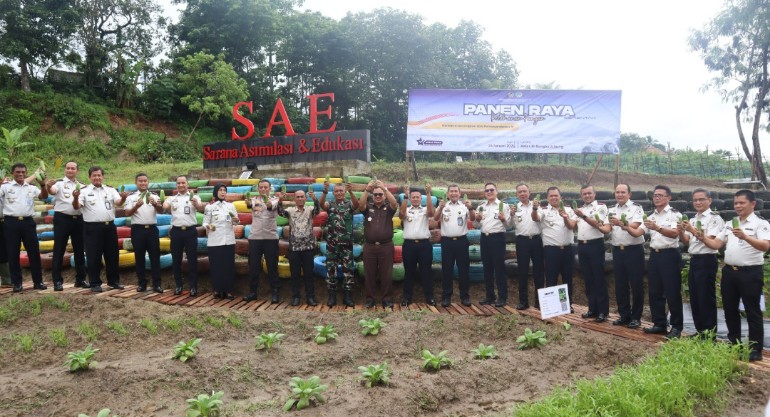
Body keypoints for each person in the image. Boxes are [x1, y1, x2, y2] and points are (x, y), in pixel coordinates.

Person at [699, 189, 768, 362]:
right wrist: (702, 237)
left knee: (752, 311)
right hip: (729, 272)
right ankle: (734, 342)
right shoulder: (730, 223)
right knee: (730, 309)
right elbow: (716, 243)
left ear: (753, 204)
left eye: (741, 202)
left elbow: (765, 246)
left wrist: (745, 237)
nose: (737, 206)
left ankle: (755, 348)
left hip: (750, 273)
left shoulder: (761, 224)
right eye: (736, 203)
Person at [677, 187, 724, 337]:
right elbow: (687, 241)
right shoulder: (693, 219)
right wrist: (680, 231)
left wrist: (691, 229)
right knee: (695, 297)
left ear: (709, 200)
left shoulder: (714, 218)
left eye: (701, 199)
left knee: (706, 297)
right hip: (695, 260)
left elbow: (710, 240)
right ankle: (700, 330)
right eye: (695, 200)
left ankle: (709, 333)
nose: (697, 202)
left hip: (706, 260)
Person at [638, 185, 683, 339]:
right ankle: (659, 323)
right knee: (655, 291)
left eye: (660, 195)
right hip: (655, 256)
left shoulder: (674, 215)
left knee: (672, 292)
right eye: (655, 195)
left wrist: (657, 227)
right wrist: (623, 226)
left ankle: (676, 327)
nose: (657, 198)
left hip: (670, 255)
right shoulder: (651, 216)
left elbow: (674, 234)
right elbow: (639, 232)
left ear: (669, 197)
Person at [73, 166, 125, 292]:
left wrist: (123, 197)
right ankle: (95, 283)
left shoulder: (110, 189)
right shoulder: (83, 191)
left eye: (99, 175)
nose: (97, 177)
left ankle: (114, 281)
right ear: (90, 177)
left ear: (103, 176)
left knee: (112, 255)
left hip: (109, 227)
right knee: (93, 256)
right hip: (92, 228)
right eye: (94, 175)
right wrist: (75, 197)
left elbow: (119, 202)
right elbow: (76, 206)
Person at [0, 163, 48, 292]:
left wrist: (43, 184)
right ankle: (17, 284)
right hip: (11, 223)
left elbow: (44, 196)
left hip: (28, 223)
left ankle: (38, 282)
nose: (20, 174)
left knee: (34, 253)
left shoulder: (31, 188)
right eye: (17, 172)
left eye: (23, 172)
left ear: (26, 173)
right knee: (13, 253)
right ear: (12, 173)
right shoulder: (5, 187)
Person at [607, 183, 645, 329]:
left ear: (630, 194)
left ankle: (636, 317)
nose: (620, 194)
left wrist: (621, 223)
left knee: (636, 284)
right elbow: (608, 227)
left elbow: (635, 225)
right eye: (617, 192)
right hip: (617, 250)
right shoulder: (611, 210)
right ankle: (624, 315)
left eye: (623, 192)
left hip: (633, 250)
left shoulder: (636, 208)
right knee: (620, 284)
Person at [45, 161, 88, 291]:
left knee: (80, 249)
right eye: (68, 168)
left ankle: (80, 279)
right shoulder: (58, 183)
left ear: (77, 171)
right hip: (62, 219)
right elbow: (52, 191)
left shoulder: (82, 186)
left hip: (78, 219)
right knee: (59, 249)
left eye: (73, 168)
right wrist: (48, 186)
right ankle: (57, 281)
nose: (70, 170)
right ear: (65, 170)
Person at [573, 185, 612, 322]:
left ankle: (603, 311)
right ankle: (592, 308)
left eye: (589, 193)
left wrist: (582, 216)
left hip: (595, 245)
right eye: (584, 194)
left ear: (594, 194)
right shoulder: (580, 209)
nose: (587, 196)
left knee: (598, 278)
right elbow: (573, 226)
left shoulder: (600, 207)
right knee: (588, 278)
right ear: (581, 196)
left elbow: (598, 224)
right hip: (582, 246)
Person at [533, 187, 577, 309]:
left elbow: (572, 226)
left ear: (560, 197)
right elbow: (535, 218)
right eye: (551, 196)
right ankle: (553, 306)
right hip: (551, 251)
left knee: (567, 278)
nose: (554, 198)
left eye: (556, 195)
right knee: (551, 278)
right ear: (547, 198)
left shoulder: (568, 210)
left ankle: (566, 304)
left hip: (567, 249)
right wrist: (535, 208)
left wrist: (565, 217)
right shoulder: (544, 210)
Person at [319, 180, 359, 307]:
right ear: (333, 193)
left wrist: (352, 191)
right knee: (331, 269)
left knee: (348, 269)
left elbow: (357, 204)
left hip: (346, 243)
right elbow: (321, 204)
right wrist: (324, 191)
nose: (339, 193)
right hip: (332, 244)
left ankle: (347, 295)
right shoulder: (330, 204)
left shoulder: (349, 204)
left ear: (345, 192)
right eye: (336, 191)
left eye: (341, 190)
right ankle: (332, 295)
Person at [358, 179, 398, 308]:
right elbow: (361, 205)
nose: (378, 196)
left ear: (384, 196)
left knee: (386, 274)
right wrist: (366, 190)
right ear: (372, 196)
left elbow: (395, 203)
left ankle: (386, 299)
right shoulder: (368, 208)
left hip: (386, 246)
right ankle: (370, 299)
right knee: (369, 274)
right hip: (369, 246)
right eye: (375, 194)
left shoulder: (388, 208)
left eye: (380, 194)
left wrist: (384, 188)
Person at [277, 189, 320, 306]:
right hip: (294, 248)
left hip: (308, 248)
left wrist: (315, 199)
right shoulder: (290, 211)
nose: (300, 199)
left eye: (302, 197)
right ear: (294, 199)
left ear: (305, 198)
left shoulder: (310, 210)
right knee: (294, 274)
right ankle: (295, 297)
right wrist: (280, 200)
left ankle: (310, 297)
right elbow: (280, 213)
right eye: (298, 197)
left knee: (309, 274)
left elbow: (318, 210)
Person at [474, 182, 515, 307]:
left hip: (497, 239)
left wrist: (503, 219)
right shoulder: (481, 207)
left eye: (492, 190)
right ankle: (490, 296)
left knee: (499, 268)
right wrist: (478, 219)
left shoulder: (504, 206)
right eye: (487, 190)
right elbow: (476, 225)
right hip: (484, 238)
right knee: (487, 268)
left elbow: (509, 226)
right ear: (484, 193)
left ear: (497, 191)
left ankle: (502, 297)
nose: (489, 192)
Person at [434, 184, 475, 307]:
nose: (453, 193)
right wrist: (440, 209)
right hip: (447, 242)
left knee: (464, 270)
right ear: (447, 194)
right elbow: (435, 218)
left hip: (462, 241)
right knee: (447, 270)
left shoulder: (464, 206)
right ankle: (446, 297)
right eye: (451, 191)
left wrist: (471, 208)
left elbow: (473, 219)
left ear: (459, 193)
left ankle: (465, 296)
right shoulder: (442, 205)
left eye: (455, 191)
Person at [163, 176, 204, 296]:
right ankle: (178, 285)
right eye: (178, 183)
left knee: (192, 259)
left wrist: (196, 204)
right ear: (176, 185)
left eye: (183, 183)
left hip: (190, 231)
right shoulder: (172, 198)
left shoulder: (194, 197)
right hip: (176, 232)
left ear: (187, 184)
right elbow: (165, 206)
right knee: (176, 260)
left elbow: (200, 207)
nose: (181, 185)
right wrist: (164, 205)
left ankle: (193, 287)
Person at [123, 173, 164, 293]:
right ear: (136, 183)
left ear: (148, 182)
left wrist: (156, 204)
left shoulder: (154, 196)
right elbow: (127, 213)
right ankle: (142, 283)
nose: (143, 183)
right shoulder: (131, 197)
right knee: (139, 256)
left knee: (155, 257)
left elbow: (161, 211)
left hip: (152, 229)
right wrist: (136, 206)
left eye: (145, 181)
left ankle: (157, 284)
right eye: (140, 181)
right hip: (138, 230)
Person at [243, 180, 281, 303]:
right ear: (258, 189)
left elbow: (270, 206)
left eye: (266, 187)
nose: (263, 189)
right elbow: (249, 205)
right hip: (255, 238)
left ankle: (275, 293)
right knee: (253, 266)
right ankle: (253, 292)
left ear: (270, 188)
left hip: (270, 238)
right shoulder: (254, 200)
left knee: (272, 267)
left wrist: (267, 201)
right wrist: (248, 202)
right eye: (261, 187)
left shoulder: (274, 199)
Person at [399, 184, 435, 306]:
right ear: (410, 198)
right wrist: (405, 195)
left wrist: (429, 193)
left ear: (421, 198)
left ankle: (429, 297)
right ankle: (407, 297)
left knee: (426, 271)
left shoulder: (425, 209)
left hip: (424, 245)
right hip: (409, 246)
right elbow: (401, 214)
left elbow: (431, 212)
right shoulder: (406, 209)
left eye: (417, 197)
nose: (415, 199)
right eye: (413, 197)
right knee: (409, 272)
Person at [203, 183, 239, 300]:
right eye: (220, 190)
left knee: (228, 266)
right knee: (216, 266)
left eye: (224, 190)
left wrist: (236, 220)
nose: (223, 192)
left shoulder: (231, 206)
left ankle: (228, 290)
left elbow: (236, 221)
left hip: (228, 241)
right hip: (215, 241)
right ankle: (217, 290)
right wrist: (208, 226)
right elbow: (205, 222)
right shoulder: (210, 207)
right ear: (215, 192)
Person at [511, 183, 544, 310]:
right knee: (522, 272)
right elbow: (508, 223)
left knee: (539, 272)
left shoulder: (537, 206)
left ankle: (539, 302)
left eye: (525, 191)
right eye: (520, 192)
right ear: (517, 194)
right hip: (521, 241)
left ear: (529, 193)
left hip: (536, 240)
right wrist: (511, 214)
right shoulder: (513, 208)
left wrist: (535, 209)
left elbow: (538, 219)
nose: (522, 194)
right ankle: (523, 301)